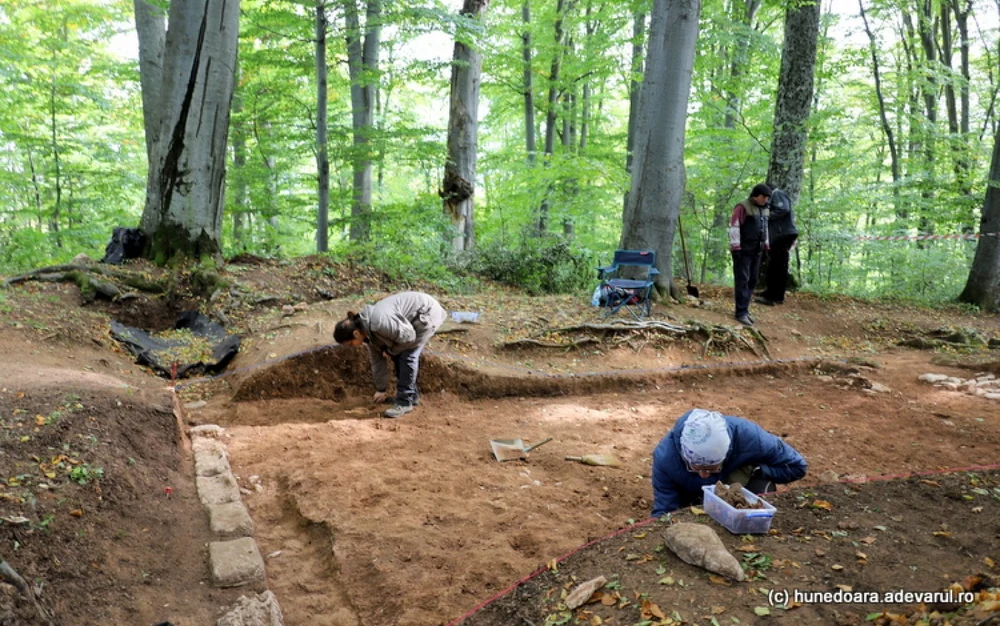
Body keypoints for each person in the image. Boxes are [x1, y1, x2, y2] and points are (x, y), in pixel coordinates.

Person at [651, 408, 807, 517]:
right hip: (693, 501)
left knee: (762, 489)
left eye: (712, 468)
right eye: (695, 468)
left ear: (727, 453)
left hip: (739, 494)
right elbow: (665, 509)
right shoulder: (665, 458)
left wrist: (757, 471)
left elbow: (796, 466)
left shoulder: (751, 438)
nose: (704, 475)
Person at [333, 291, 447, 418]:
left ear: (356, 333)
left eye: (350, 344)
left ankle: (404, 402)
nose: (352, 347)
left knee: (407, 356)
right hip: (411, 321)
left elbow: (409, 337)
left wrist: (390, 351)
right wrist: (381, 390)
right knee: (397, 353)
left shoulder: (378, 323)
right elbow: (377, 360)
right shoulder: (368, 332)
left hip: (426, 313)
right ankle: (411, 397)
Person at [728, 183, 771, 326]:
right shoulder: (742, 207)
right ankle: (740, 312)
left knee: (752, 280)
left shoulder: (764, 209)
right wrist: (736, 247)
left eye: (767, 198)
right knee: (743, 281)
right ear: (756, 195)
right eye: (763, 197)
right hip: (743, 251)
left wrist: (766, 246)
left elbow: (765, 228)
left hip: (757, 251)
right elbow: (734, 227)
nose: (765, 200)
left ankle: (745, 310)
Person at [755, 187, 798, 306]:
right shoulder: (771, 199)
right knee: (775, 264)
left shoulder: (777, 193)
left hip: (783, 235)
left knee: (779, 265)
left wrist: (766, 216)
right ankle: (771, 292)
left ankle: (774, 297)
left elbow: (783, 208)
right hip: (778, 236)